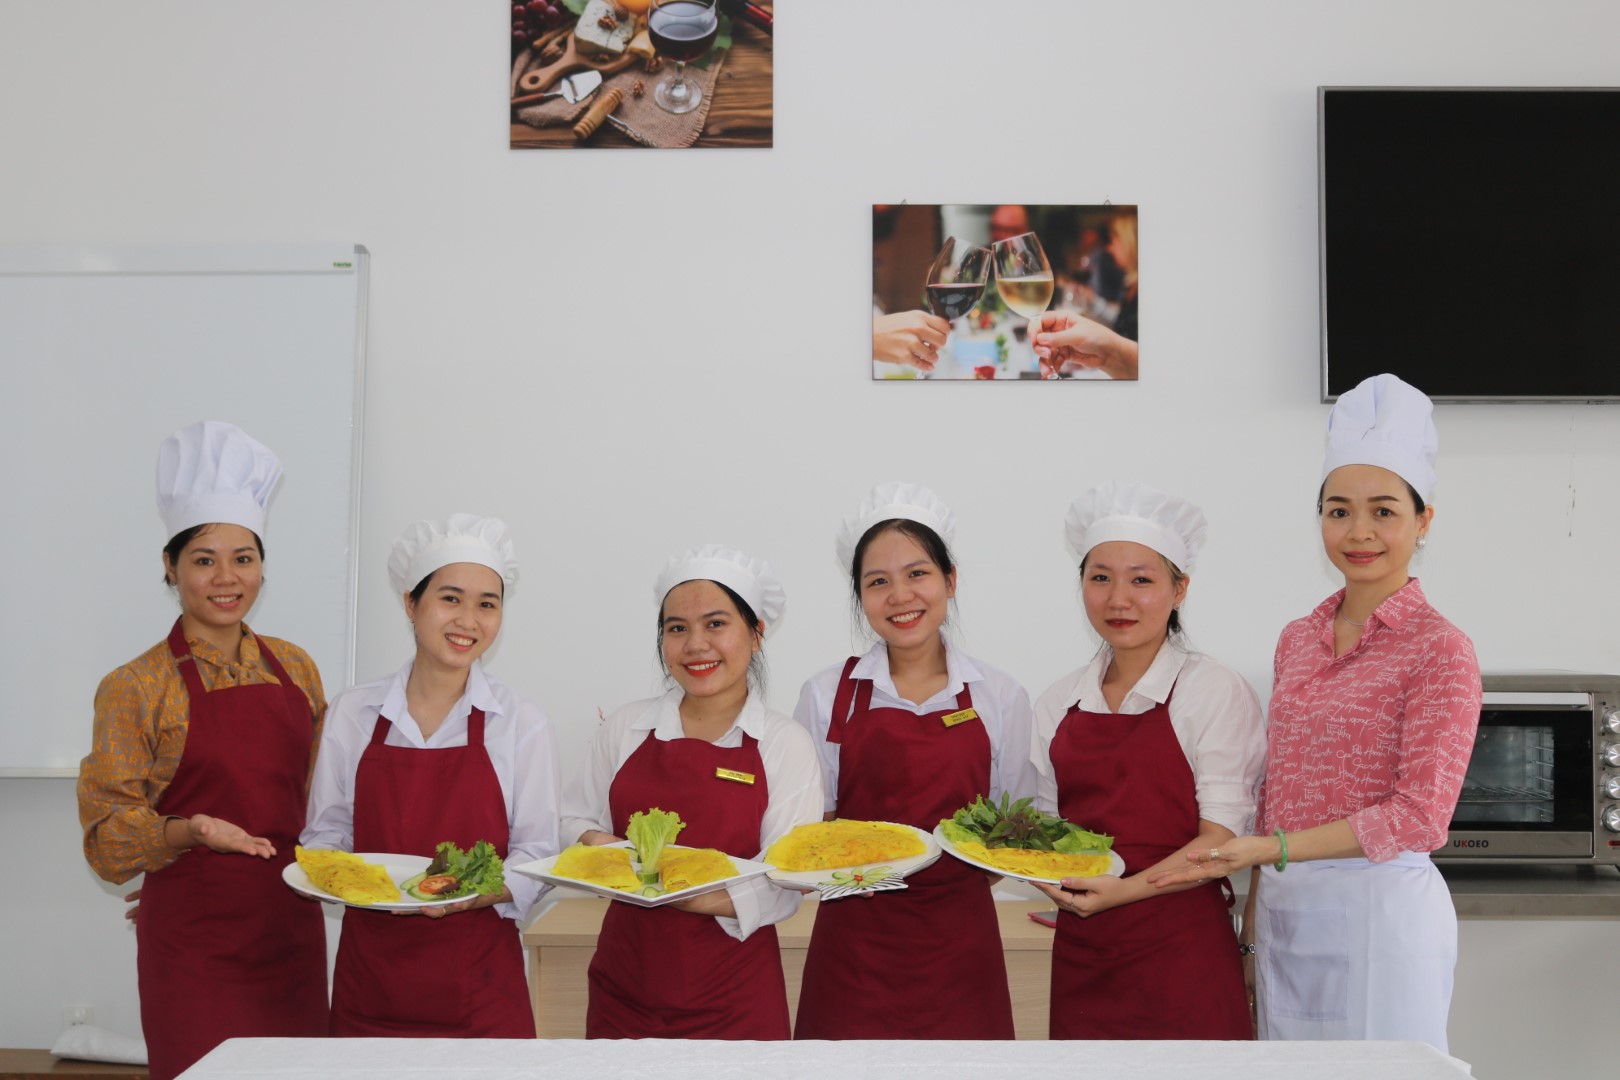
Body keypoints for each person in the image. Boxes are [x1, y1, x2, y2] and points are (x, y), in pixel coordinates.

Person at [1151, 373, 1482, 1051]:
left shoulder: (1440, 648)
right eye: (1338, 511)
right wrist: (1251, 921)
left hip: (1381, 913)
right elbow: (1278, 789)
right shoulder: (1298, 638)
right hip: (1286, 910)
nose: (1359, 532)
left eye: (1383, 511)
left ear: (1423, 521)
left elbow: (1419, 816)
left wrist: (1271, 849)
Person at [78, 421, 328, 1080]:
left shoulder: (297, 668)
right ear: (170, 566)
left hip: (290, 934)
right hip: (194, 951)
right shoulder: (135, 686)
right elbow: (106, 839)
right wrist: (188, 834)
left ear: (262, 566)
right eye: (203, 559)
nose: (226, 578)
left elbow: (322, 803)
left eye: (243, 558)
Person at [793, 483, 1038, 1040]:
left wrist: (961, 882)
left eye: (917, 573)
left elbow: (1012, 826)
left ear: (950, 581)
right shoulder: (826, 693)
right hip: (854, 938)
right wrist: (849, 878)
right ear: (860, 597)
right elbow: (812, 828)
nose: (900, 595)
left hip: (961, 940)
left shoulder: (1000, 696)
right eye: (878, 582)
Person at [303, 514, 559, 1038]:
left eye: (487, 604)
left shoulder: (520, 721)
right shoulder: (354, 712)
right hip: (370, 986)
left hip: (481, 990)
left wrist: (471, 894)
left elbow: (538, 854)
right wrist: (332, 877)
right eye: (450, 598)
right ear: (410, 603)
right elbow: (325, 837)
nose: (468, 620)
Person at [1031, 481, 1264, 1040]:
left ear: (1179, 589)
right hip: (1085, 955)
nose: (1119, 599)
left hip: (1182, 954)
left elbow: (1221, 840)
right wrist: (1043, 876)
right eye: (1100, 578)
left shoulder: (1211, 689)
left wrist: (1128, 891)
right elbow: (1045, 832)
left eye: (1141, 580)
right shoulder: (1058, 701)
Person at [561, 544, 823, 1039]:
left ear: (757, 633)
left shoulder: (784, 743)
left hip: (735, 999)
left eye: (715, 624)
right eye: (677, 628)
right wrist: (600, 846)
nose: (696, 644)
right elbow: (572, 820)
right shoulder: (626, 728)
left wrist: (681, 891)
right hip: (623, 989)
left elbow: (787, 879)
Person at [1031, 211, 1140, 380]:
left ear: (1130, 243)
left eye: (1113, 241)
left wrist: (1093, 301)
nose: (1109, 248)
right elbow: (1121, 318)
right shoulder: (1131, 285)